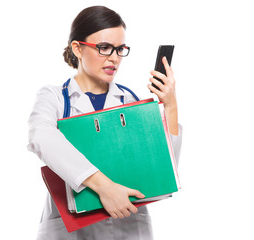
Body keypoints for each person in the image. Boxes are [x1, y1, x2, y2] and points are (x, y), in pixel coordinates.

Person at [27, 5, 182, 240]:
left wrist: (170, 105)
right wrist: (104, 187)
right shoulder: (54, 97)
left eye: (120, 49)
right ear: (77, 48)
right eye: (104, 48)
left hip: (128, 227)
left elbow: (164, 170)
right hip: (71, 230)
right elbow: (41, 136)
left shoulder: (131, 101)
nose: (114, 58)